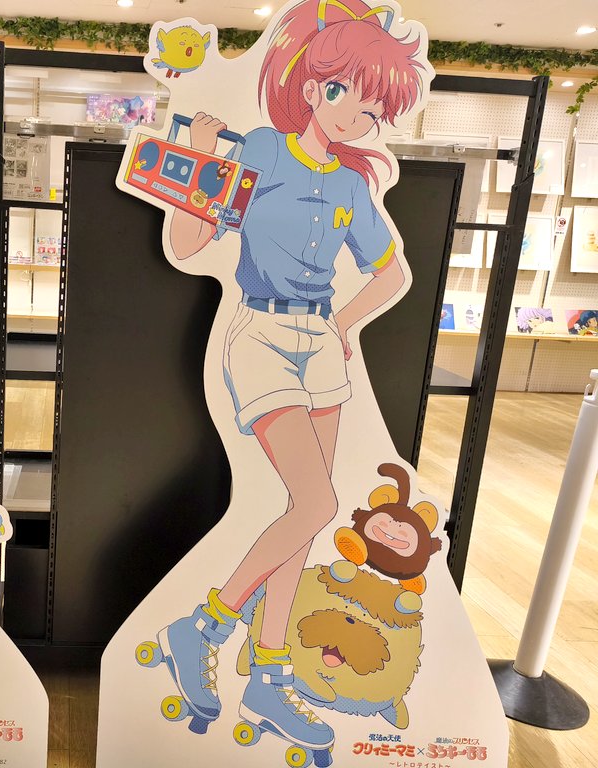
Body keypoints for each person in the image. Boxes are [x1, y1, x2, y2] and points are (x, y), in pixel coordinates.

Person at [154, 0, 426, 753]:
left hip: (320, 341)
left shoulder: (351, 187)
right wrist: (203, 161)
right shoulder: (262, 153)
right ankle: (205, 625)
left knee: (304, 518)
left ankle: (267, 676)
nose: (360, 119)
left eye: (374, 112)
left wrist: (344, 324)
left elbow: (391, 271)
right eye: (351, 97)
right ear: (314, 88)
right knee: (317, 503)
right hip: (262, 336)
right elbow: (187, 242)